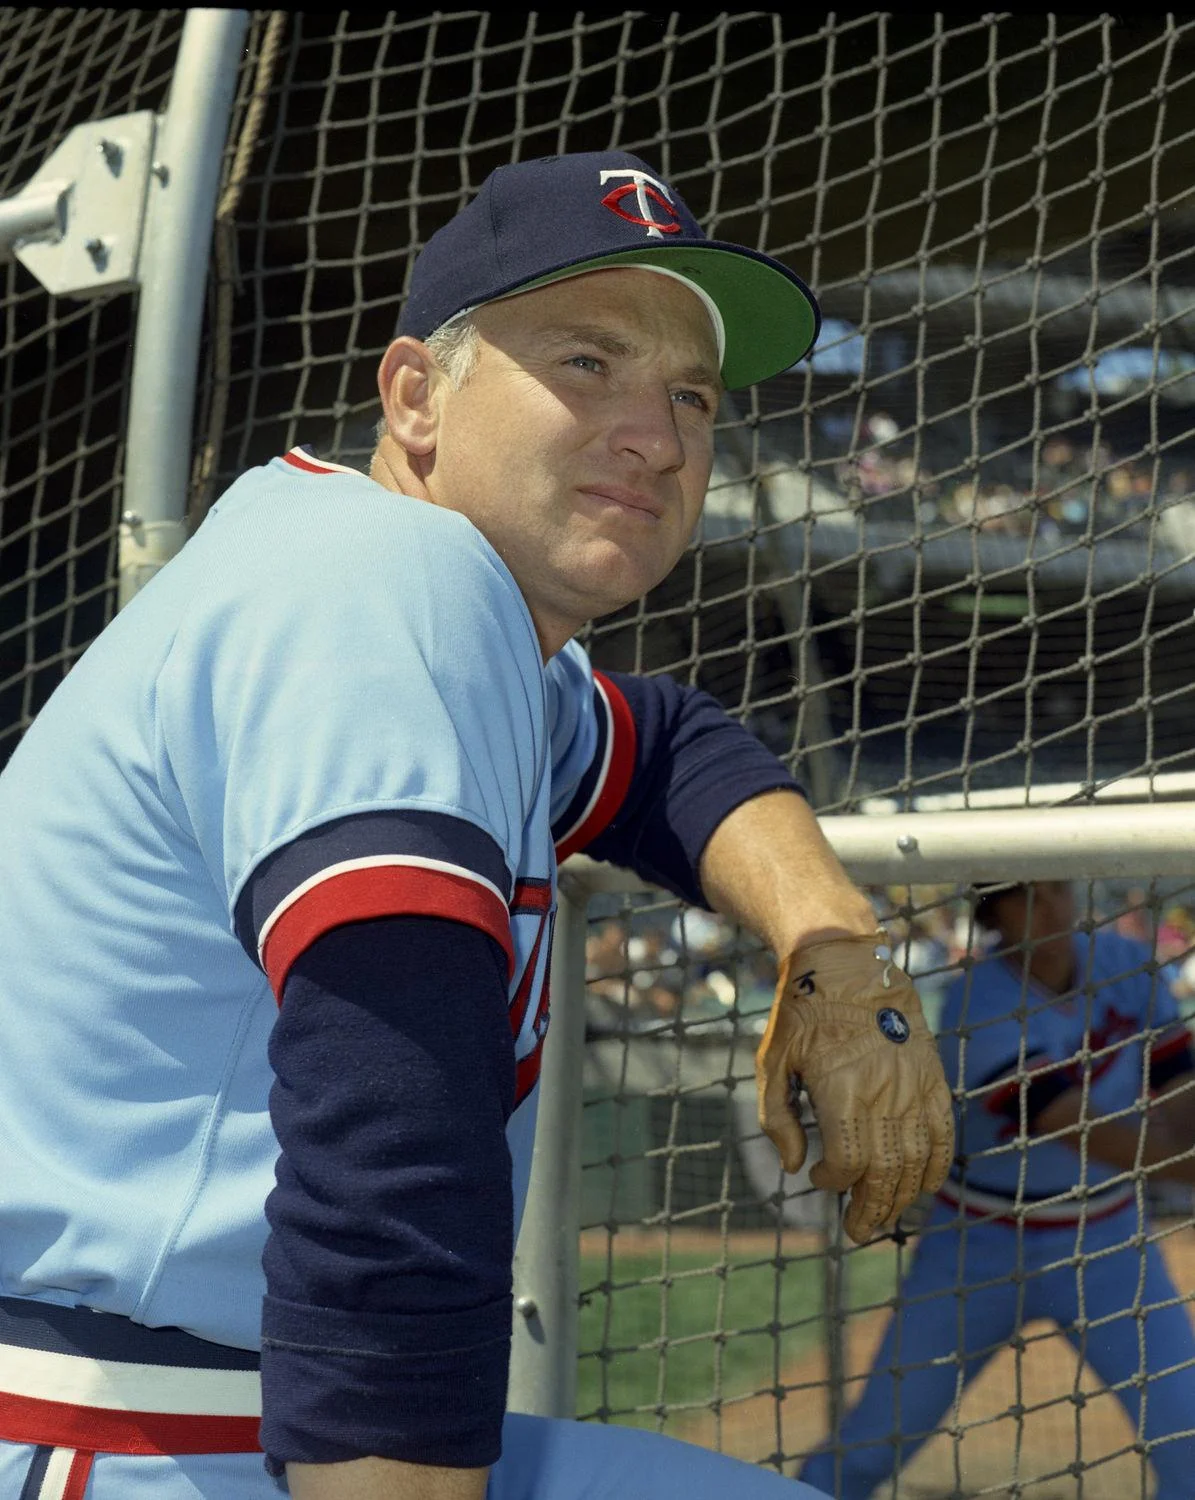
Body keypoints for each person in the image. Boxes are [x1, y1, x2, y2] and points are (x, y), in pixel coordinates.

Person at [0, 150, 952, 1500]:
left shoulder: (447, 615)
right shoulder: (386, 583)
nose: (659, 434)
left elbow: (667, 751)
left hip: (198, 1404)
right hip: (133, 1435)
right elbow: (390, 1135)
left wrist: (830, 947)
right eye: (584, 362)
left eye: (688, 392)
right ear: (414, 395)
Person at [798, 879, 1195, 1499]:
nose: (1052, 912)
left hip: (1108, 1240)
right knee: (872, 1447)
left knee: (1190, 1442)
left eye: (1058, 892)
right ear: (994, 915)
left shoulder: (1124, 964)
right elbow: (1070, 1124)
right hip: (978, 1245)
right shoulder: (974, 1002)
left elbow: (1176, 1079)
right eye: (1027, 900)